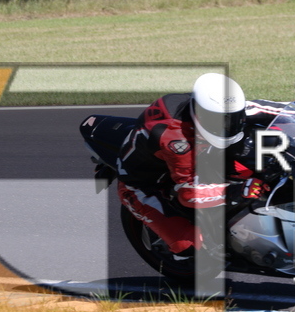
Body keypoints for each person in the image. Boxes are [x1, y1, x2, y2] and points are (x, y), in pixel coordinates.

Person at [116, 73, 285, 258]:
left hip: (200, 153)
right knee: (189, 245)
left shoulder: (223, 106)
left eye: (233, 118)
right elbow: (188, 193)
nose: (227, 125)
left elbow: (282, 110)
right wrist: (236, 191)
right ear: (199, 113)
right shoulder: (176, 139)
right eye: (219, 120)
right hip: (144, 184)